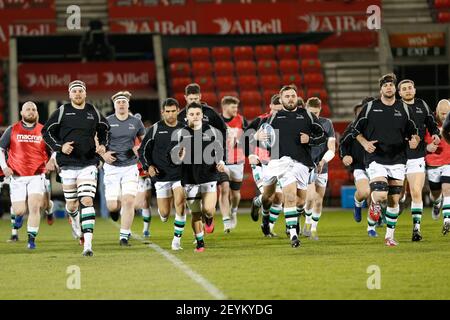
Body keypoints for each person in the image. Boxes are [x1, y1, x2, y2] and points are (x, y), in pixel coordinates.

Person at [42, 80, 110, 256]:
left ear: (85, 94)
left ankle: (88, 244)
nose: (78, 94)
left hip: (88, 162)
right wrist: (60, 147)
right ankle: (74, 220)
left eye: (81, 91)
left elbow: (104, 129)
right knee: (72, 205)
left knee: (86, 200)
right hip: (67, 163)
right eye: (75, 91)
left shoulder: (93, 111)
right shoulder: (62, 111)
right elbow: (47, 132)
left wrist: (102, 144)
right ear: (69, 94)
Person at [352, 73, 419, 246]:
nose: (388, 87)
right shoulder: (370, 107)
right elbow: (355, 130)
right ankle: (374, 204)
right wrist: (365, 143)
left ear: (394, 88)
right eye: (385, 85)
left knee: (394, 200)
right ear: (381, 89)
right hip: (376, 157)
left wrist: (414, 140)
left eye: (391, 85)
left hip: (397, 158)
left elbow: (413, 132)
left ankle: (389, 236)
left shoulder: (404, 108)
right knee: (381, 194)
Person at [260, 85, 325, 248]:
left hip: (302, 164)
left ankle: (277, 214)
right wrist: (261, 138)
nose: (290, 98)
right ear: (281, 99)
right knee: (285, 196)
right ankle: (293, 234)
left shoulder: (308, 115)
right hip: (281, 162)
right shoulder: (275, 117)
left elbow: (322, 136)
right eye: (287, 96)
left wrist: (309, 140)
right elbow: (268, 141)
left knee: (300, 202)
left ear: (297, 98)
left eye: (293, 96)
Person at [169, 102, 226, 252]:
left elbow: (219, 151)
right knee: (195, 213)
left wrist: (220, 162)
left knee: (208, 209)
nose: (195, 117)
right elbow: (174, 155)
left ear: (202, 115)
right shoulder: (181, 133)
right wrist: (178, 157)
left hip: (209, 175)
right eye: (191, 114)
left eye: (198, 114)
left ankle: (209, 218)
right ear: (186, 116)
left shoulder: (212, 131)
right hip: (189, 178)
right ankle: (200, 243)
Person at [0, 102, 51, 249]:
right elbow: (0, 149)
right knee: (19, 210)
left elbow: (53, 150)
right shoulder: (12, 129)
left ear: (37, 113)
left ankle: (31, 240)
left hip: (37, 175)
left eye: (33, 109)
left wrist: (51, 162)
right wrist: (4, 167)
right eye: (27, 109)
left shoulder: (44, 131)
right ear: (22, 113)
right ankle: (19, 217)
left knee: (35, 207)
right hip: (17, 176)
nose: (31, 111)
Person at [139, 98, 187, 250]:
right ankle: (164, 211)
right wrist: (148, 166)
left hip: (180, 174)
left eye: (173, 111)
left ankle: (176, 241)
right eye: (168, 111)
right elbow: (142, 151)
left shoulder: (185, 129)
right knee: (165, 214)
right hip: (161, 175)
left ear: (178, 111)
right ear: (162, 112)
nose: (171, 114)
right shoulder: (154, 129)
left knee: (180, 203)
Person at [397, 79, 440, 241]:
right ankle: (397, 201)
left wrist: (435, 133)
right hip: (397, 157)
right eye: (404, 89)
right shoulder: (395, 107)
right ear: (399, 93)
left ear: (414, 90)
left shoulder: (422, 105)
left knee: (416, 192)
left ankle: (416, 229)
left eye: (410, 88)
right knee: (394, 194)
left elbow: (431, 123)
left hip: (416, 156)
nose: (407, 91)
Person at [103, 91, 145, 246]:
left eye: (124, 102)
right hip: (112, 167)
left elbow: (144, 141)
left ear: (128, 104)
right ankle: (114, 210)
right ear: (114, 105)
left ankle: (124, 237)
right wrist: (104, 154)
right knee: (112, 205)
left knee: (129, 201)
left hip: (130, 167)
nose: (121, 104)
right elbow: (97, 140)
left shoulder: (136, 122)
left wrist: (139, 148)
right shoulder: (106, 121)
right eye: (118, 102)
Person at [339, 97, 379, 237]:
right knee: (365, 192)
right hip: (360, 165)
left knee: (377, 195)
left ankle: (371, 227)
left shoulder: (383, 123)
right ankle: (357, 202)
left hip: (378, 164)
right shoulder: (354, 126)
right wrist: (345, 156)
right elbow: (343, 143)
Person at [247, 94, 283, 237]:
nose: (279, 113)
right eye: (276, 109)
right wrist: (253, 142)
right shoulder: (260, 120)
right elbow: (243, 139)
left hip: (278, 164)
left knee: (279, 198)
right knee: (268, 196)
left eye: (281, 110)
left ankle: (267, 225)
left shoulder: (287, 122)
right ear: (271, 107)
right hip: (261, 164)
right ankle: (257, 203)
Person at [302, 97, 336, 240]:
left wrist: (323, 160)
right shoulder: (301, 123)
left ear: (320, 110)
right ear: (305, 109)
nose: (314, 116)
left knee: (319, 199)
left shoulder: (327, 124)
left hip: (322, 165)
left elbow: (332, 148)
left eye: (316, 113)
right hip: (307, 166)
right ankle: (307, 223)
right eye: (311, 113)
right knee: (310, 198)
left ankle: (313, 229)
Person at [219, 96, 247, 232]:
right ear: (224, 107)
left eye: (237, 107)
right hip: (222, 161)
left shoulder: (241, 120)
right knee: (224, 188)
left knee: (235, 193)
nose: (236, 109)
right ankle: (225, 222)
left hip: (237, 160)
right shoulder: (217, 120)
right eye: (233, 107)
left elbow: (249, 138)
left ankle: (234, 211)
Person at [429, 99, 450, 234]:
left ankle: (447, 220)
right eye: (442, 113)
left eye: (447, 113)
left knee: (447, 189)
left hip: (448, 162)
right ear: (436, 112)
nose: (444, 116)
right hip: (433, 163)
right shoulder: (429, 122)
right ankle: (437, 203)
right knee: (435, 194)